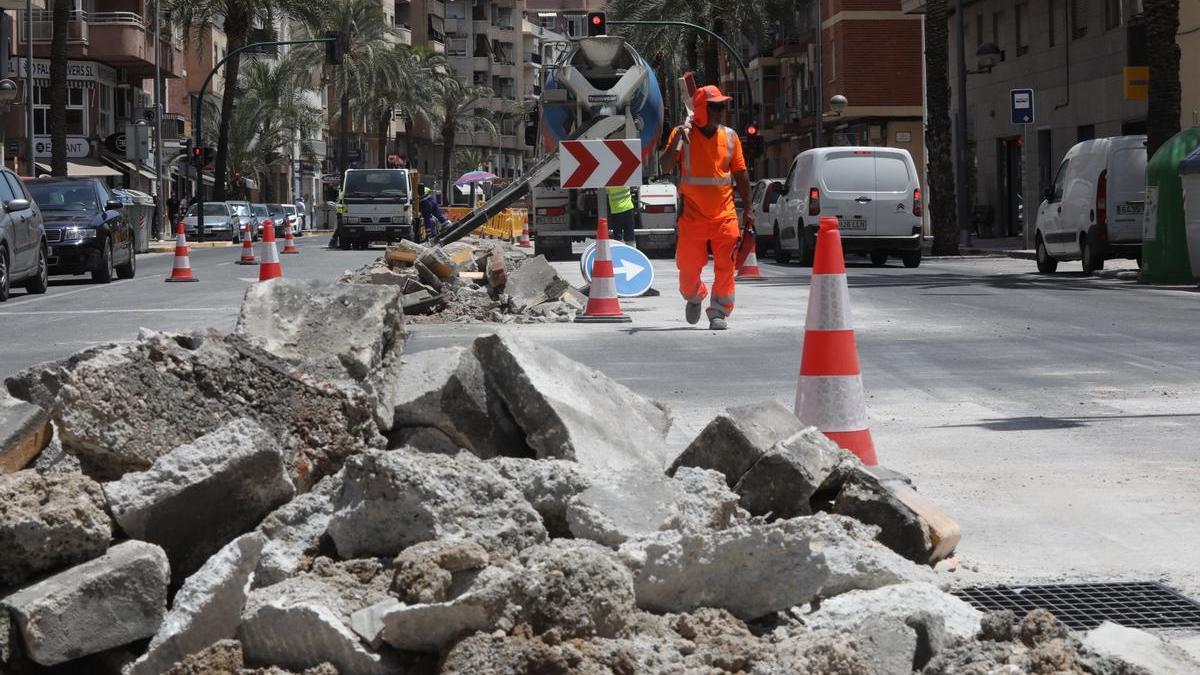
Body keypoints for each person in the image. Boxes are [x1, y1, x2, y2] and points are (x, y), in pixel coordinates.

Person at [659, 85, 754, 331]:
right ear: (701, 109)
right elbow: (666, 166)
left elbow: (742, 176)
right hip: (692, 216)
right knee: (688, 267)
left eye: (722, 106)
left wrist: (750, 211)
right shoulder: (682, 135)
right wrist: (678, 138)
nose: (720, 111)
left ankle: (719, 311)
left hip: (725, 214)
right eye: (714, 107)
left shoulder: (731, 137)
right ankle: (694, 295)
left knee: (726, 266)